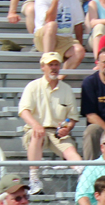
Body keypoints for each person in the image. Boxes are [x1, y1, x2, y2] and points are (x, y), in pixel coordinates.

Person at [18, 52, 82, 192]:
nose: (54, 68)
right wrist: (36, 125)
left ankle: (83, 175)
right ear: (43, 67)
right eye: (50, 65)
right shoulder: (33, 86)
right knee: (37, 134)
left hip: (57, 131)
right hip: (36, 129)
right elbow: (24, 111)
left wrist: (67, 128)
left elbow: (72, 118)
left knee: (70, 149)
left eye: (56, 64)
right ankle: (34, 178)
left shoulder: (67, 89)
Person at [32, 0, 86, 70]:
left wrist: (79, 43)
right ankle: (47, 63)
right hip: (44, 37)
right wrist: (56, 0)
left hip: (64, 39)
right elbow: (48, 20)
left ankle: (59, 77)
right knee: (52, 25)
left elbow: (78, 24)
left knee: (79, 51)